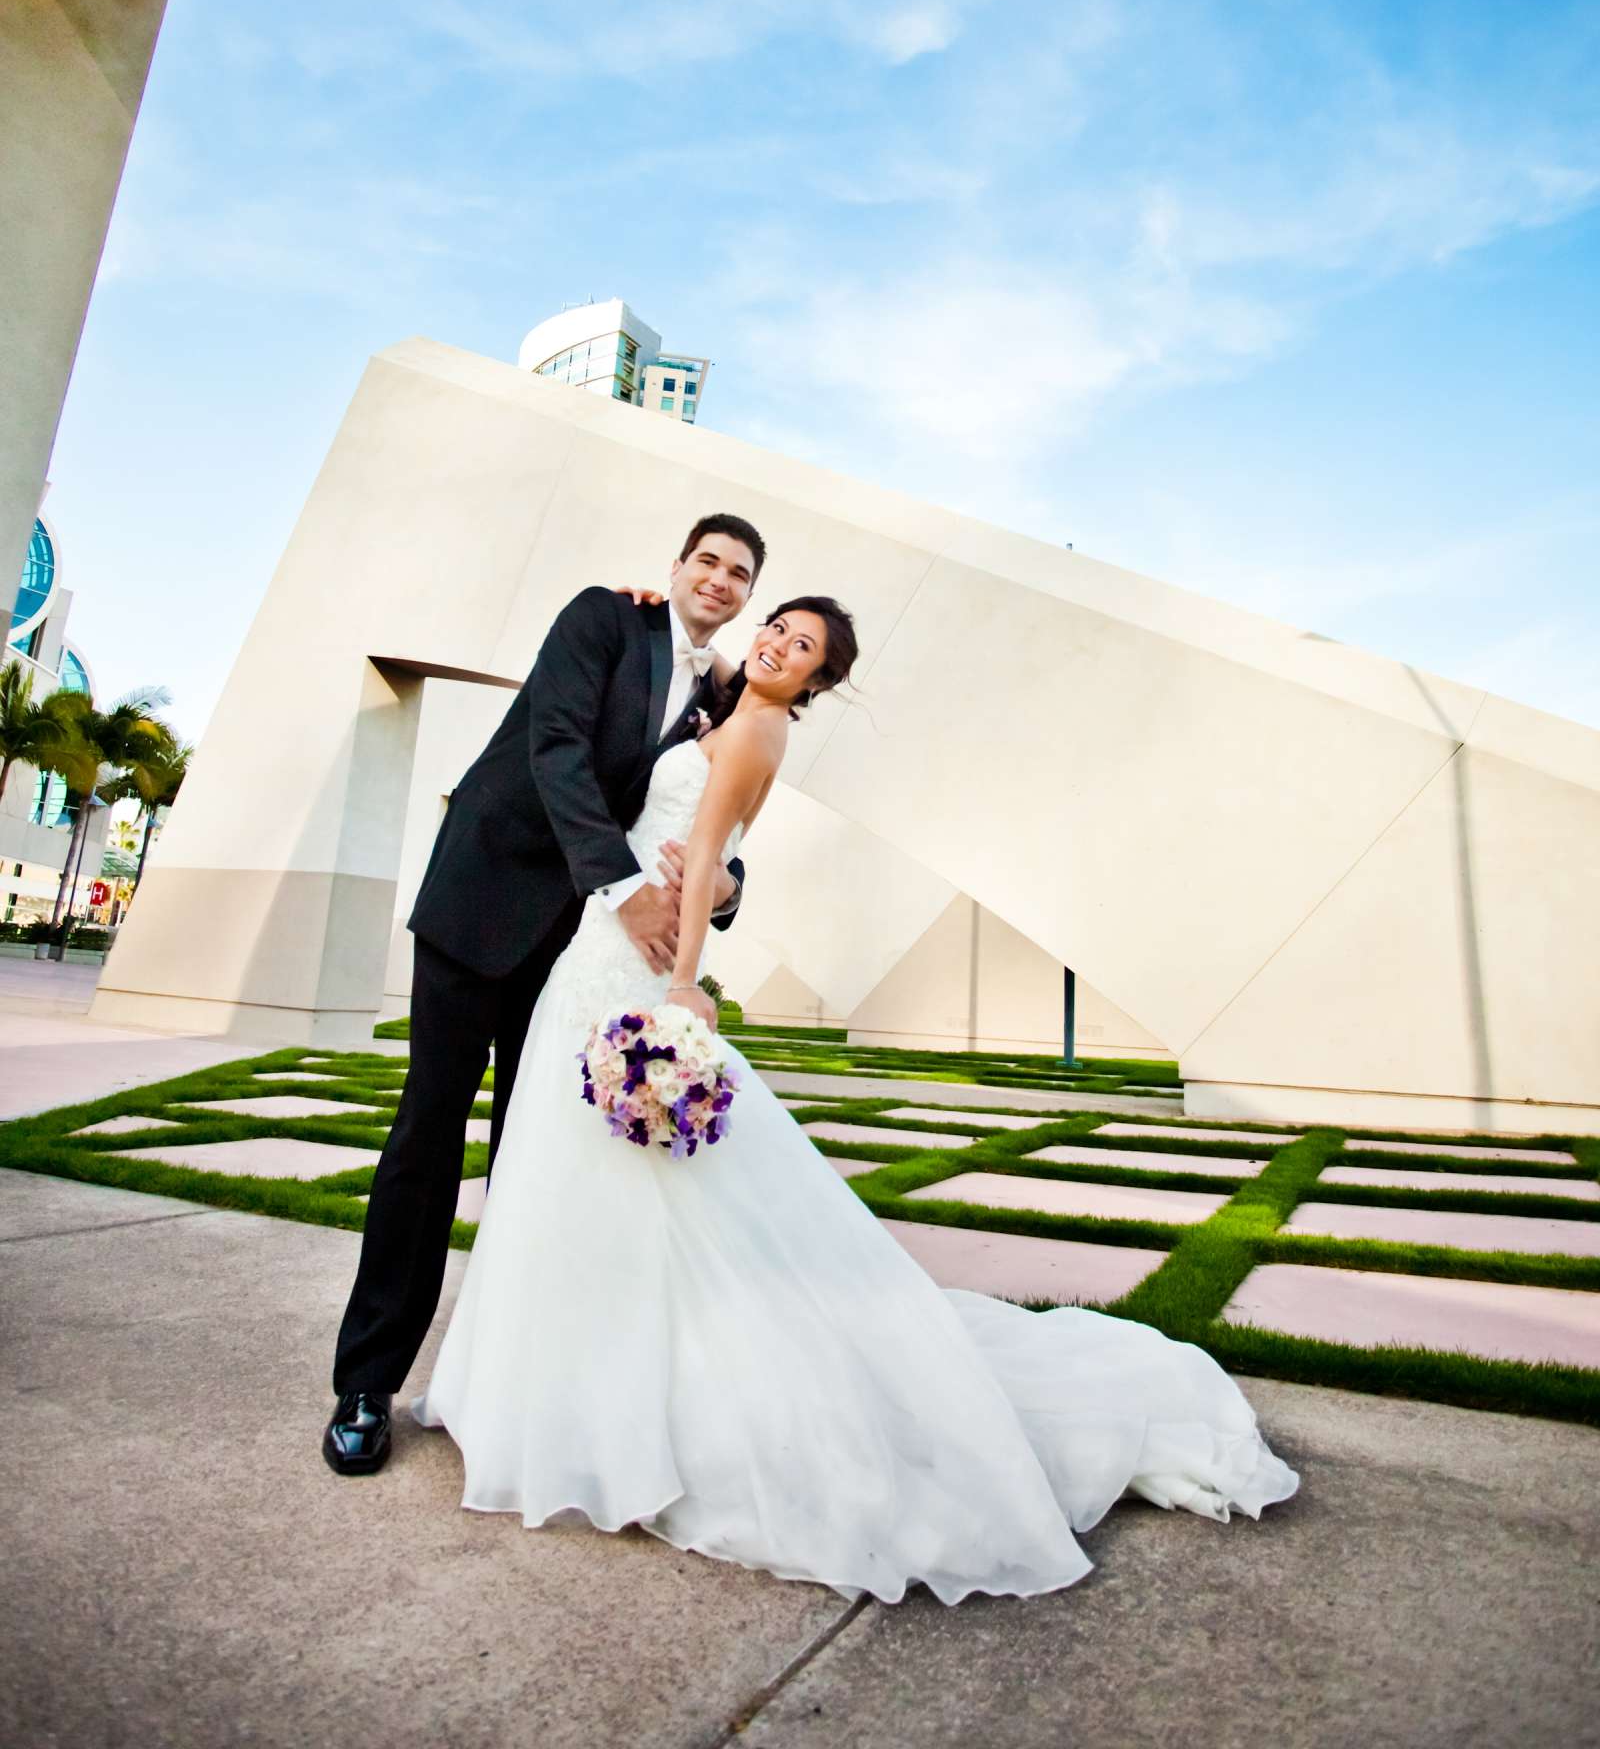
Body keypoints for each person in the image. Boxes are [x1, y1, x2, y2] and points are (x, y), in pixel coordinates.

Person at [416, 593, 1299, 1602]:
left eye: (802, 649)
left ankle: (604, 1411)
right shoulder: (711, 702)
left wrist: (681, 984)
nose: (779, 647)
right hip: (592, 947)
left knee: (627, 1184)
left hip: (635, 965)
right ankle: (556, 1391)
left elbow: (706, 856)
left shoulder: (751, 729)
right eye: (778, 629)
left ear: (815, 682)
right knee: (574, 1174)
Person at [322, 514, 767, 1477]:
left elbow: (719, 813)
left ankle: (519, 1383)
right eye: (707, 561)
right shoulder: (605, 620)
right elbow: (555, 749)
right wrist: (626, 887)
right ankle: (366, 1383)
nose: (720, 580)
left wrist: (723, 891)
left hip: (578, 953)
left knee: (543, 1155)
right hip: (484, 902)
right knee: (427, 1136)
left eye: (739, 573)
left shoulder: (726, 695)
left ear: (748, 595)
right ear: (676, 566)